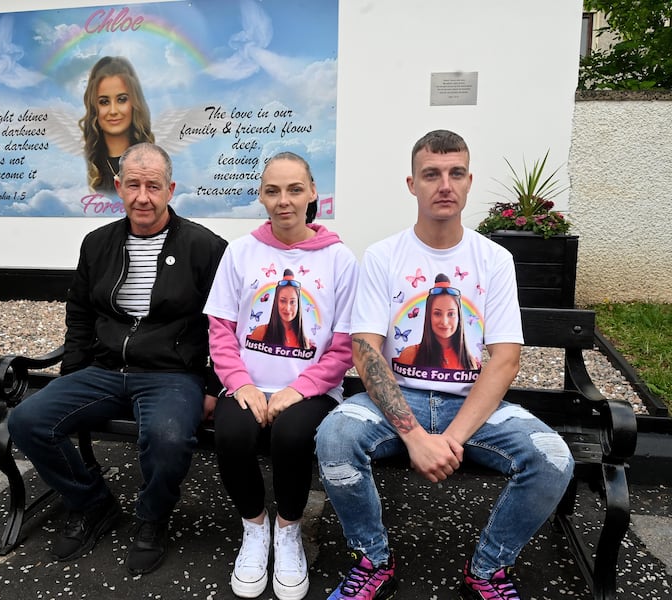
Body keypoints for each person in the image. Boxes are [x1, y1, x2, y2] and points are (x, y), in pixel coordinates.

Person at [315, 130, 574, 600]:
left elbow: (505, 359)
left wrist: (449, 441)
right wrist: (415, 437)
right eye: (431, 174)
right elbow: (366, 352)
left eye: (455, 173)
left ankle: (488, 571)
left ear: (470, 181)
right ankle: (373, 559)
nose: (444, 184)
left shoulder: (493, 259)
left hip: (472, 405)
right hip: (400, 400)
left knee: (553, 457)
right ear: (412, 184)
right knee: (335, 435)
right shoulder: (383, 256)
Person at [8, 143, 227, 576]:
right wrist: (71, 375)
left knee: (166, 440)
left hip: (171, 373)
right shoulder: (98, 244)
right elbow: (81, 312)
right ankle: (92, 504)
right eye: (133, 185)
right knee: (27, 420)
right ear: (118, 188)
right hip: (105, 370)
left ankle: (151, 517)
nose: (142, 196)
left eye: (153, 186)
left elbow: (223, 322)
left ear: (171, 189)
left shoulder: (205, 246)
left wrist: (212, 385)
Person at [204, 152, 358, 600]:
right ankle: (255, 527)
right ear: (261, 196)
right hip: (247, 385)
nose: (284, 200)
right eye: (273, 190)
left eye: (294, 189)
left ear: (313, 193)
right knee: (231, 434)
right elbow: (220, 328)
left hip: (312, 390)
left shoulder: (339, 259)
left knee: (292, 436)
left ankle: (288, 530)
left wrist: (300, 389)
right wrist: (240, 383)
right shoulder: (241, 251)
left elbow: (345, 343)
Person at [79, 56, 154, 193]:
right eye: (104, 102)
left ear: (134, 103)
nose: (113, 111)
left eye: (122, 99)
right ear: (94, 107)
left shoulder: (153, 160)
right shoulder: (87, 162)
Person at [394, 273, 479, 371]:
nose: (444, 322)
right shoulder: (409, 355)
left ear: (459, 317)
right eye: (437, 314)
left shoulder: (470, 362)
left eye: (451, 314)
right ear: (429, 316)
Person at [247, 268, 315, 349]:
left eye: (292, 302)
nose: (287, 308)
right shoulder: (260, 332)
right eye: (283, 301)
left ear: (298, 305)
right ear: (276, 302)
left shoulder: (304, 341)